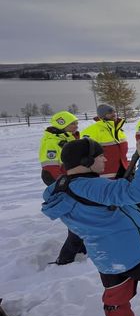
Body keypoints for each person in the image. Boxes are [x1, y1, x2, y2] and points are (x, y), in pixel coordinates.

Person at [41, 139, 140, 316]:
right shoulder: (92, 187)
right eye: (99, 155)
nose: (105, 158)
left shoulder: (57, 191)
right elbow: (137, 193)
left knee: (116, 297)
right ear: (85, 161)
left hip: (105, 256)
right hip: (137, 251)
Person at [39, 110, 85, 265]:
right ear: (63, 125)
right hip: (61, 182)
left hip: (71, 180)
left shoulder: (67, 137)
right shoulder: (52, 142)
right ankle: (66, 257)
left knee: (80, 216)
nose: (76, 125)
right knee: (77, 217)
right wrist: (64, 184)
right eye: (73, 123)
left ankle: (80, 248)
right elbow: (50, 167)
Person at [81, 104, 129, 179]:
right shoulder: (91, 131)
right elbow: (85, 154)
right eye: (110, 112)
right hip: (106, 173)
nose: (113, 114)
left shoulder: (118, 129)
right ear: (102, 116)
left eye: (114, 112)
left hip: (123, 169)